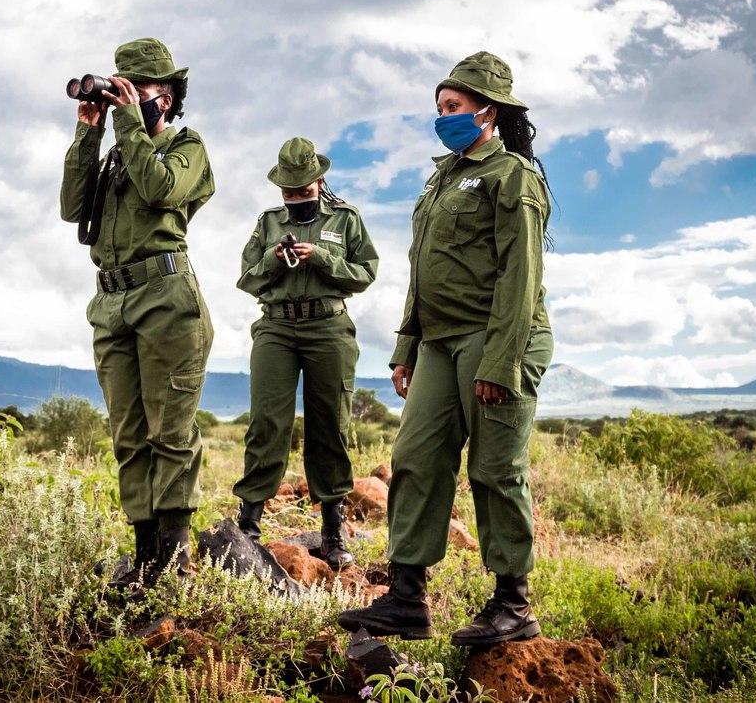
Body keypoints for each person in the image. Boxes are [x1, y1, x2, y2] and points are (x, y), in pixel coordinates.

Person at [337, 51, 554, 645]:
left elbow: (521, 276)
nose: (443, 117)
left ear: (489, 111)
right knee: (415, 460)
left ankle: (513, 605)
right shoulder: (442, 180)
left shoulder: (514, 177)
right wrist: (406, 344)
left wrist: (502, 360)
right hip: (438, 342)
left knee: (494, 469)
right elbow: (422, 270)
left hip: (495, 337)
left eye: (454, 107)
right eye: (439, 108)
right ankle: (406, 599)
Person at [59, 38, 215, 594]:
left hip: (167, 300)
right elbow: (72, 210)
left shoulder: (186, 147)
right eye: (117, 85)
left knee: (170, 433)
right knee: (129, 435)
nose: (123, 96)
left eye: (137, 90)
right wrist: (90, 130)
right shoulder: (117, 153)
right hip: (112, 303)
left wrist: (128, 123)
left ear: (166, 99)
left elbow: (161, 190)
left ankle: (172, 566)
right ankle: (145, 557)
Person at [232, 138, 379, 570]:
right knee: (266, 422)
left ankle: (333, 530)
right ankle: (250, 524)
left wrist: (322, 257)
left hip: (328, 327)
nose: (294, 199)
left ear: (319, 181)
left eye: (303, 191)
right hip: (276, 326)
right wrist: (276, 260)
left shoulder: (346, 219)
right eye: (288, 193)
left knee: (329, 423)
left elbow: (365, 273)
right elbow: (247, 278)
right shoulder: (268, 223)